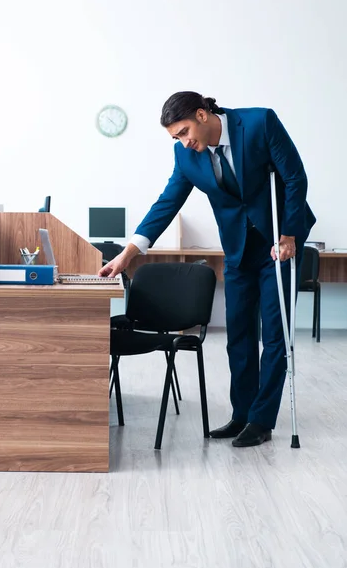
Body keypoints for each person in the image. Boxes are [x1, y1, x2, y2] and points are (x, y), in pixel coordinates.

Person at [99, 91, 316, 447]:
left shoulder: (260, 123)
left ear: (202, 115)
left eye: (184, 132)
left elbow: (294, 178)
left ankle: (262, 421)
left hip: (280, 243)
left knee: (274, 335)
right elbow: (167, 202)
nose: (184, 143)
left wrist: (290, 234)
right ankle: (241, 414)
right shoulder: (186, 157)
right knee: (239, 336)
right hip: (237, 250)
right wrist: (129, 254)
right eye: (176, 138)